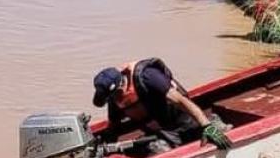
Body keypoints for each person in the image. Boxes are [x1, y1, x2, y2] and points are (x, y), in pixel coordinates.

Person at [92, 58, 232, 152]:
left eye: (114, 96)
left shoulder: (147, 77)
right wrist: (103, 147)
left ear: (120, 87)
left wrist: (206, 125)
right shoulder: (114, 100)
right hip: (163, 133)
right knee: (155, 150)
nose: (113, 100)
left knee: (221, 133)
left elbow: (180, 101)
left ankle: (213, 122)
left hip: (186, 122)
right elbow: (113, 128)